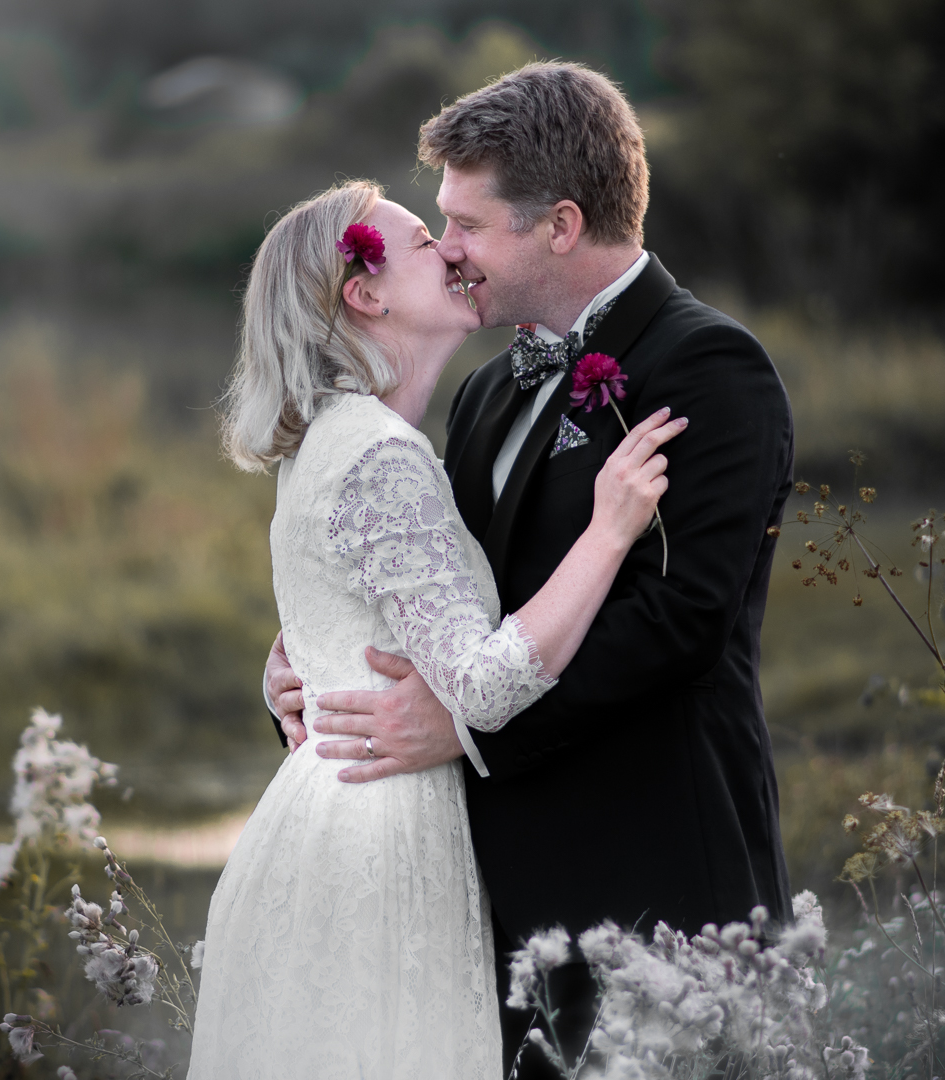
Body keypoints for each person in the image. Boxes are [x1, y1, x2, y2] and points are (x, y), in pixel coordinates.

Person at [266, 62, 796, 1077]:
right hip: (501, 914)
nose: (447, 247)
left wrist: (467, 728)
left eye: (465, 223)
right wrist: (316, 665)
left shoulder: (710, 368)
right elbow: (436, 600)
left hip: (657, 879)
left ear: (559, 226)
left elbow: (683, 619)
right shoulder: (486, 394)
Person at [186, 178, 684, 1079]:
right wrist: (610, 531)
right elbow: (483, 688)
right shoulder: (379, 453)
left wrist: (290, 672)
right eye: (425, 240)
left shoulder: (332, 439)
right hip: (382, 838)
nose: (451, 250)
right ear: (365, 294)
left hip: (324, 823)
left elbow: (340, 618)